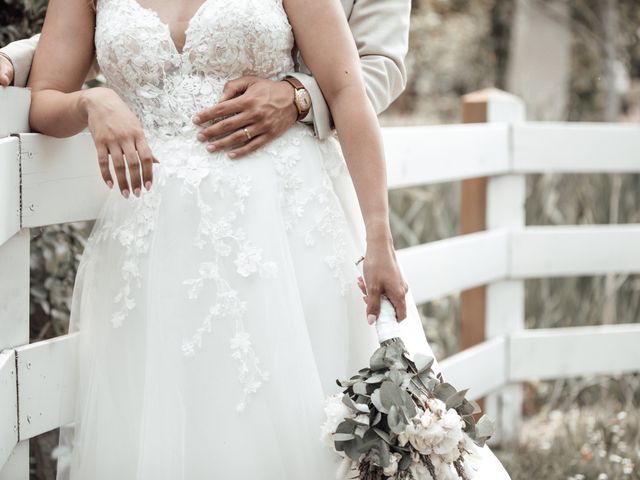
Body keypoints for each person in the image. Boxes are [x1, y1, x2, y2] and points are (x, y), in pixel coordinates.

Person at [19, 0, 513, 478]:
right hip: (152, 243)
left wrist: (378, 241)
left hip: (281, 232)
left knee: (300, 421)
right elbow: (45, 98)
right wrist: (93, 100)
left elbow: (348, 94)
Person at [0, 0, 410, 153]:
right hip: (155, 203)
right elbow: (131, 35)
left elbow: (377, 68)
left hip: (282, 176)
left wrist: (298, 95)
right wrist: (20, 57)